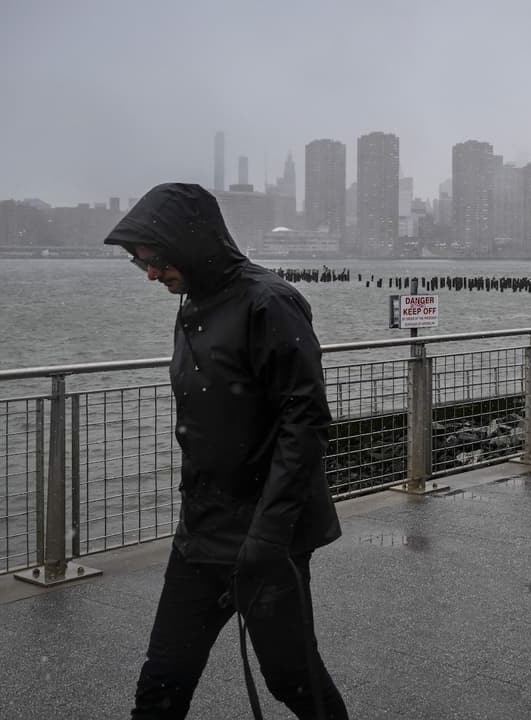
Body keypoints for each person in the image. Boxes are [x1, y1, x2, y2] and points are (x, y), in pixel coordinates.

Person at [105, 183, 348, 719]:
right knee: (162, 683)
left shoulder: (271, 302)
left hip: (267, 538)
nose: (151, 274)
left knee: (292, 678)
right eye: (141, 264)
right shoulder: (190, 301)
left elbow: (303, 422)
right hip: (200, 533)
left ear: (189, 246)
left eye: (156, 261)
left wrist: (268, 536)